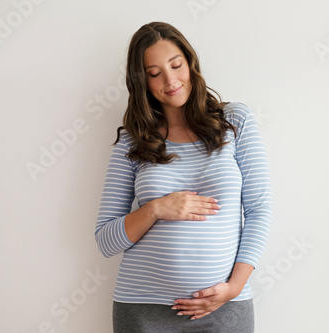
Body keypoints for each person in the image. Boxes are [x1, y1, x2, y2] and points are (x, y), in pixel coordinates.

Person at [94, 21, 272, 333]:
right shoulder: (133, 141)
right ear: (142, 82)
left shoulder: (235, 121)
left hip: (225, 306)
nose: (170, 80)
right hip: (143, 309)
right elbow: (106, 240)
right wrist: (156, 208)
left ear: (190, 62)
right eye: (154, 73)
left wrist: (233, 287)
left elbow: (259, 211)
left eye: (176, 65)